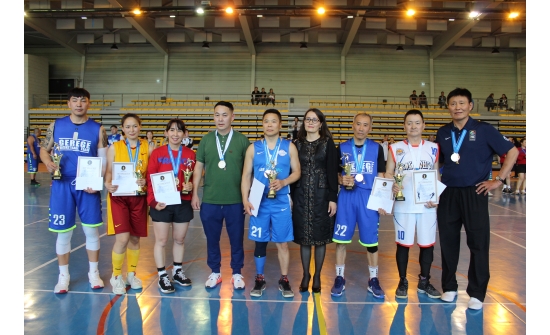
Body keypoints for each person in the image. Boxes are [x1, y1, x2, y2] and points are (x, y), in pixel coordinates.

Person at [435, 87, 518, 310]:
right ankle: (450, 287)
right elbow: (439, 163)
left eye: (462, 103)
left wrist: (499, 180)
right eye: (453, 103)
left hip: (476, 192)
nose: (457, 107)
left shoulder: (484, 130)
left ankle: (477, 293)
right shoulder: (442, 132)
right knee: (448, 242)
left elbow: (512, 152)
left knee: (479, 244)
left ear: (470, 106)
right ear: (448, 107)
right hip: (448, 193)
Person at [39, 88, 107, 294]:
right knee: (63, 233)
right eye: (75, 100)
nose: (79, 104)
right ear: (68, 103)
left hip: (87, 186)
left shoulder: (98, 129)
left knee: (91, 230)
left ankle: (93, 273)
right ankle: (63, 277)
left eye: (83, 100)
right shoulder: (56, 125)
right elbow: (44, 149)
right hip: (62, 184)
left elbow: (102, 158)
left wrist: (97, 181)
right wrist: (48, 162)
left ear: (89, 103)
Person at [241, 109, 301, 298]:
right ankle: (260, 278)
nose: (269, 124)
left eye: (273, 121)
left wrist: (283, 182)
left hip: (281, 200)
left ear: (280, 125)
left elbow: (297, 172)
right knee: (260, 242)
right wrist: (245, 199)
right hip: (258, 201)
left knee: (282, 243)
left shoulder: (289, 147)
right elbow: (245, 176)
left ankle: (284, 279)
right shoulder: (253, 148)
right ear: (262, 124)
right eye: (266, 121)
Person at [191, 101, 251, 290]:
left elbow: (249, 171)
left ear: (232, 117)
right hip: (210, 199)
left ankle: (237, 273)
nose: (220, 119)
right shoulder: (206, 140)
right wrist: (194, 193)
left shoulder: (242, 140)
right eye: (217, 114)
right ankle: (215, 272)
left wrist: (247, 198)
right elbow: (198, 168)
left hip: (235, 201)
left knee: (236, 239)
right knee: (212, 238)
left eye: (224, 115)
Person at [384, 110, 441, 299]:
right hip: (404, 205)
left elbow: (436, 174)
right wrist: (393, 184)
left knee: (427, 245)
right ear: (404, 126)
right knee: (403, 244)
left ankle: (424, 280)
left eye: (417, 123)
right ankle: (402, 280)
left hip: (427, 206)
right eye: (409, 123)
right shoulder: (395, 148)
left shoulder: (433, 148)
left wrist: (437, 197)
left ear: (423, 125)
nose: (413, 126)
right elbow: (389, 172)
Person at [330, 113, 386, 298]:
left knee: (372, 242)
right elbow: (336, 175)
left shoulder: (377, 148)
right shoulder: (343, 147)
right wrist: (341, 179)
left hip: (369, 197)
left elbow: (382, 176)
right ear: (352, 125)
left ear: (370, 127)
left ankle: (373, 279)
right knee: (341, 240)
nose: (361, 128)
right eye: (358, 124)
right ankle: (339, 277)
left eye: (365, 125)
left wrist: (382, 201)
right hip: (347, 197)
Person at [104, 113, 153, 295]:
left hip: (139, 197)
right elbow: (109, 171)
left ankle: (131, 274)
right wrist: (107, 183)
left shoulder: (148, 147)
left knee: (135, 238)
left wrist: (145, 183)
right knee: (122, 238)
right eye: (128, 126)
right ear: (122, 129)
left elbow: (151, 172)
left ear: (140, 127)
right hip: (119, 197)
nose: (132, 130)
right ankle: (116, 276)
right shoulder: (114, 147)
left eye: (135, 126)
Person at [291, 108, 338, 293]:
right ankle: (305, 274)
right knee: (304, 239)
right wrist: (291, 196)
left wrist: (333, 198)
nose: (310, 122)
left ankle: (317, 275)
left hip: (321, 196)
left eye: (314, 119)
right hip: (301, 194)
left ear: (320, 123)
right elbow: (292, 171)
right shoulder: (296, 144)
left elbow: (333, 173)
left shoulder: (328, 143)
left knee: (319, 239)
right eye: (307, 119)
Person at [147, 119, 196, 294]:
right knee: (161, 240)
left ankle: (177, 271)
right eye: (172, 130)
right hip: (162, 203)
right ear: (166, 133)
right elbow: (149, 178)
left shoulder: (190, 154)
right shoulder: (157, 153)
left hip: (182, 201)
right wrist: (152, 202)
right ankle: (162, 275)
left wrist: (191, 188)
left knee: (180, 239)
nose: (175, 134)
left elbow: (194, 178)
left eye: (179, 130)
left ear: (184, 134)